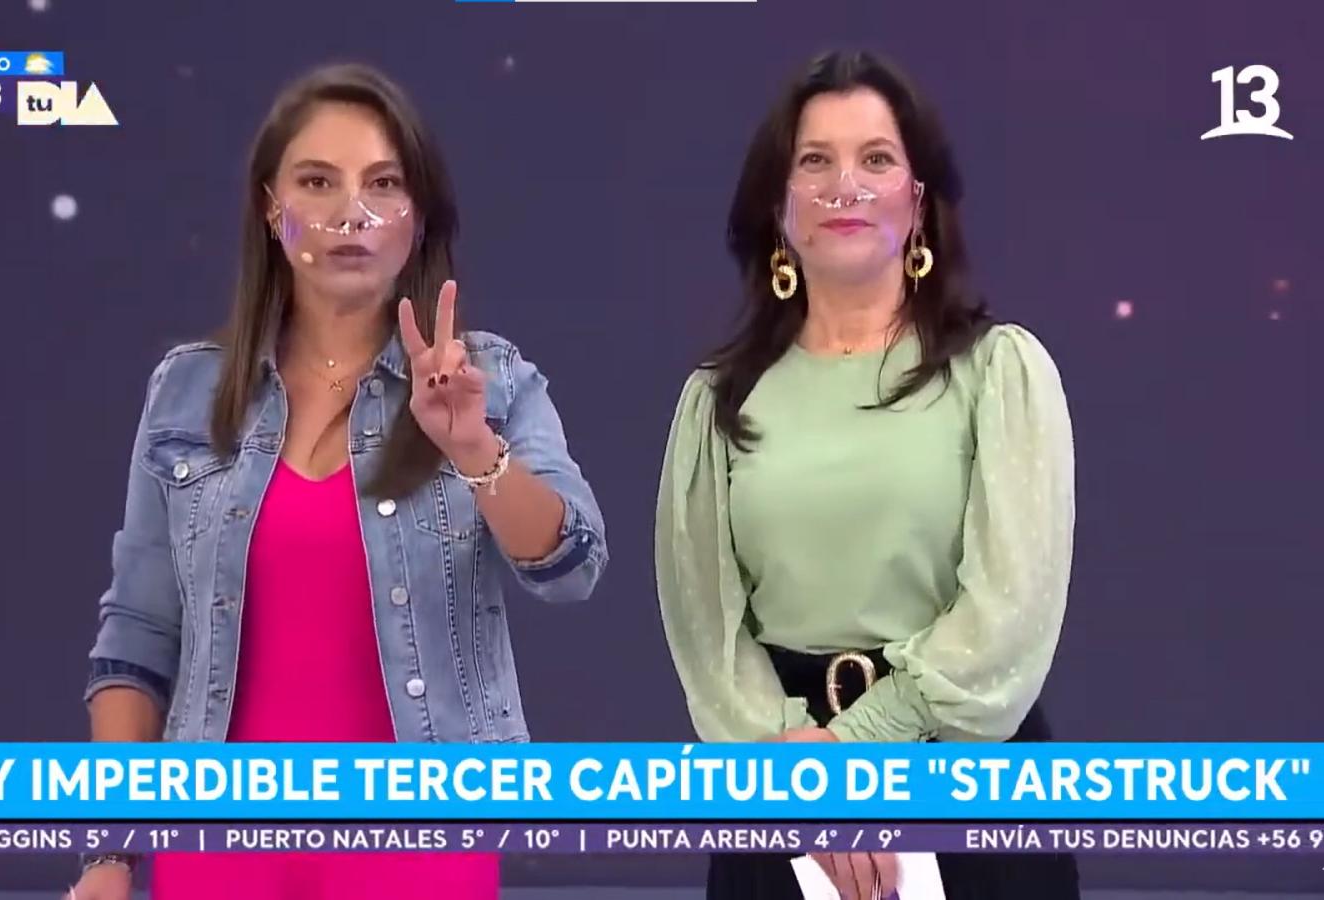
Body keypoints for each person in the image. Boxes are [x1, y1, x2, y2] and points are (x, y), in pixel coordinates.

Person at [69, 62, 607, 900]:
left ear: (417, 214)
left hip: (420, 848)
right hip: (217, 853)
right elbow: (137, 642)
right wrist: (109, 856)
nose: (352, 213)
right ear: (270, 208)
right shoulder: (187, 392)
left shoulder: (492, 382)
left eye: (383, 184)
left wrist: (475, 449)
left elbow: (573, 566)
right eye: (318, 182)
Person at [655, 50, 1079, 900]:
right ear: (778, 206)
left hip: (968, 784)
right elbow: (705, 628)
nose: (844, 185)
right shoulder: (716, 399)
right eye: (815, 161)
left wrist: (856, 756)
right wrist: (797, 776)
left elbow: (1011, 612)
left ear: (918, 201)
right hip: (777, 795)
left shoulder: (999, 371)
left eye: (876, 159)